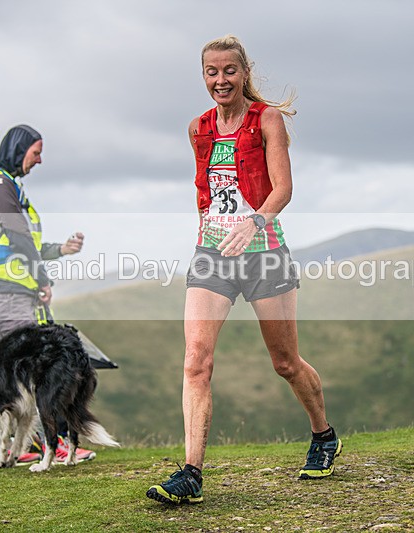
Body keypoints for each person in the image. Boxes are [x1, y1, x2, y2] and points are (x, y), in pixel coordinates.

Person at [146, 35, 341, 505]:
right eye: (211, 72)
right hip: (213, 255)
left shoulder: (266, 120)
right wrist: (206, 239)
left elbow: (283, 189)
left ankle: (323, 435)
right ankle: (191, 473)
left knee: (285, 363)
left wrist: (254, 225)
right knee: (196, 360)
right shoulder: (199, 128)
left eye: (229, 71)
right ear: (204, 76)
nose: (220, 80)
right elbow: (206, 193)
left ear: (244, 72)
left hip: (264, 252)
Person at [0, 124, 92, 466]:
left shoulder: (7, 186)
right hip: (7, 292)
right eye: (36, 152)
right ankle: (29, 446)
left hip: (12, 290)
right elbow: (20, 240)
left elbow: (23, 243)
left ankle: (30, 444)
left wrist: (58, 250)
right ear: (19, 148)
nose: (39, 161)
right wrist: (41, 279)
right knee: (25, 375)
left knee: (24, 375)